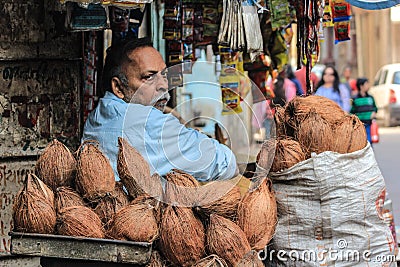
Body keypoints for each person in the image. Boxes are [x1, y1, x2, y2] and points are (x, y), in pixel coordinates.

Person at [82, 38, 238, 182]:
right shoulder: (150, 123)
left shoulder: (98, 115)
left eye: (164, 75)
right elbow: (224, 164)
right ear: (118, 87)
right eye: (149, 77)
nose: (163, 85)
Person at [350, 78, 377, 144]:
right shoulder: (355, 99)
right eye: (366, 84)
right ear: (361, 86)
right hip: (360, 125)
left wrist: (374, 112)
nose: (368, 86)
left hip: (369, 124)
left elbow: (375, 108)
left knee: (369, 141)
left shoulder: (370, 98)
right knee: (361, 142)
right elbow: (352, 111)